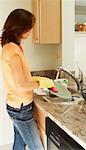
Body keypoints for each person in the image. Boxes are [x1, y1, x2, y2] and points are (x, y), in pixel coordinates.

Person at [1, 9, 44, 150]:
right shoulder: (13, 51)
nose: (31, 30)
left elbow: (18, 77)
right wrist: (40, 83)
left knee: (19, 143)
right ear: (20, 28)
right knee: (37, 147)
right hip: (21, 108)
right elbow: (20, 85)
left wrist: (34, 79)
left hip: (16, 104)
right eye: (29, 27)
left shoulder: (11, 47)